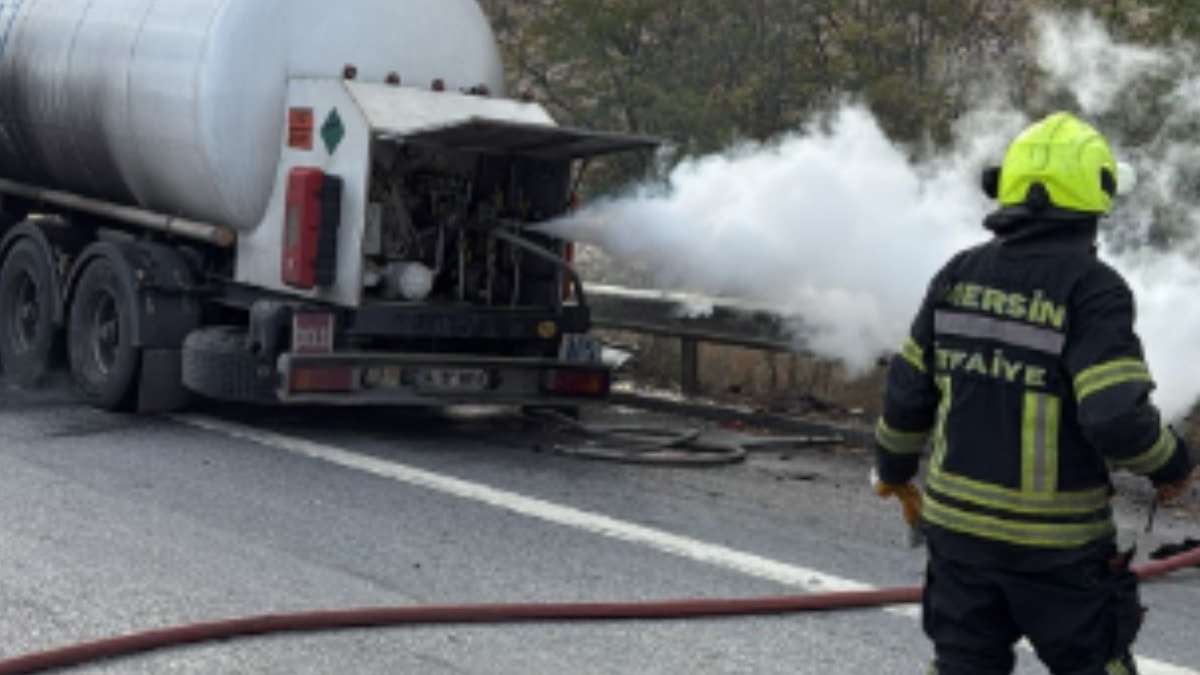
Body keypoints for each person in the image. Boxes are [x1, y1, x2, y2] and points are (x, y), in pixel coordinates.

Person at [872, 111, 1199, 674]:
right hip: (1057, 553)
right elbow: (1116, 418)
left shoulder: (958, 274)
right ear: (1096, 197)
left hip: (958, 541)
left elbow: (906, 397)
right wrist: (1172, 464)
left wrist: (895, 471)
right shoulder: (1093, 289)